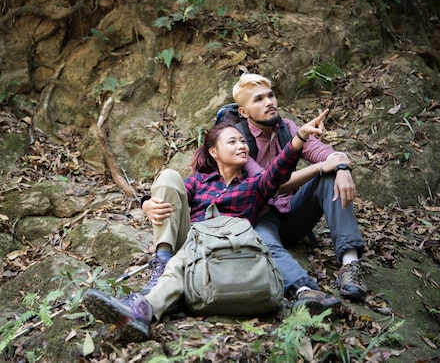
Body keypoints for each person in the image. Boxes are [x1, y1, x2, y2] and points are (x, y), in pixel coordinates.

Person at [83, 111, 328, 342]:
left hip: (227, 247)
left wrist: (300, 137)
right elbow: (172, 199)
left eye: (243, 141)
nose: (242, 146)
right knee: (168, 176)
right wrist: (146, 203)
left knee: (180, 265)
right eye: (232, 142)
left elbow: (278, 170)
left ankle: (141, 311)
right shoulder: (200, 181)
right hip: (192, 240)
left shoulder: (255, 185)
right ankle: (162, 258)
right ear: (214, 152)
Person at [143, 73, 368, 309]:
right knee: (265, 240)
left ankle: (350, 264)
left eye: (270, 95)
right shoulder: (243, 140)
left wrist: (340, 166)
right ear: (244, 111)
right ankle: (305, 290)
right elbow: (271, 182)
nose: (269, 102)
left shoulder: (287, 127)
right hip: (259, 214)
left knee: (330, 175)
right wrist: (146, 202)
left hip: (290, 212)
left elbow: (326, 153)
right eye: (258, 99)